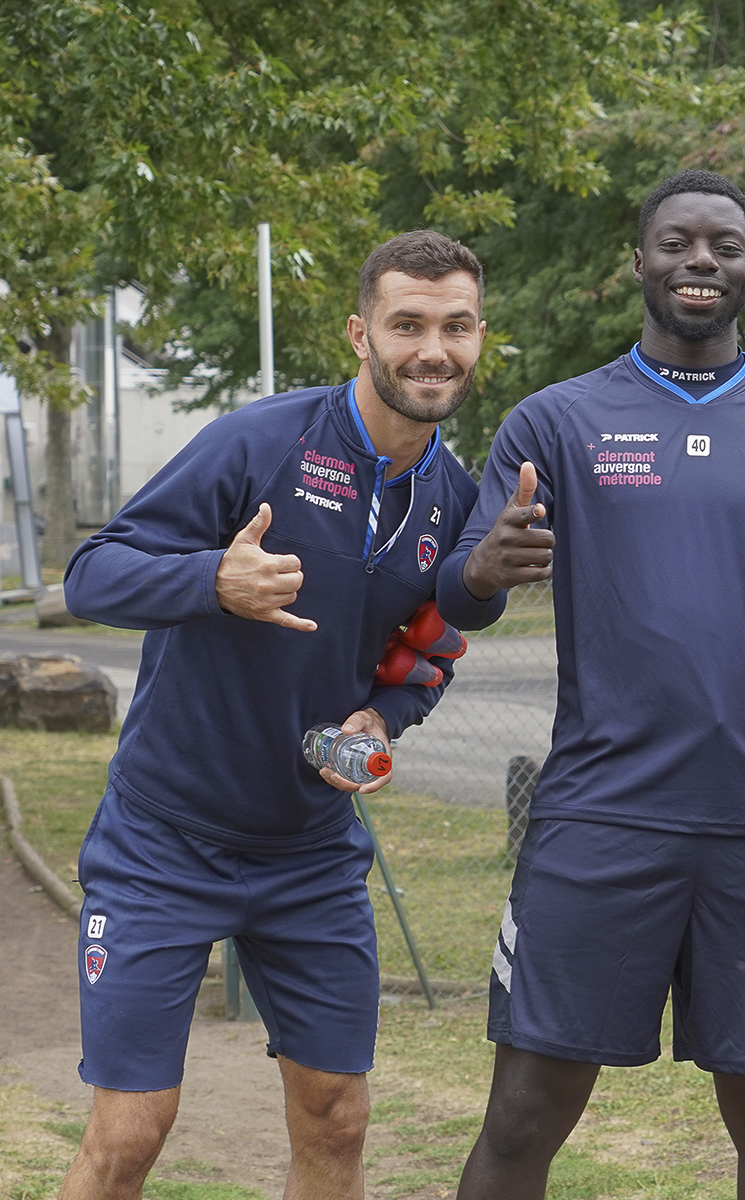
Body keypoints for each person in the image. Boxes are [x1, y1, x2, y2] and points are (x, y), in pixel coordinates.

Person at [435, 169, 745, 1200]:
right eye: (676, 243)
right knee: (521, 1121)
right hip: (598, 821)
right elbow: (461, 593)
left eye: (723, 244)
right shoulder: (555, 422)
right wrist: (483, 567)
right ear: (640, 262)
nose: (700, 261)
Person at [58, 230, 487, 1199]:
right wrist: (213, 577)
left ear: (477, 337)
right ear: (359, 333)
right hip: (164, 842)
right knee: (129, 1134)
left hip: (309, 854)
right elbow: (92, 574)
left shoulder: (454, 498)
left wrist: (382, 718)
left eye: (454, 326)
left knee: (338, 1117)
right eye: (407, 323)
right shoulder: (261, 442)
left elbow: (428, 650)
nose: (432, 349)